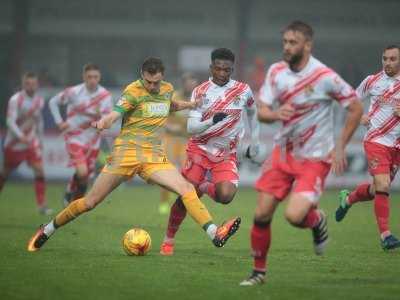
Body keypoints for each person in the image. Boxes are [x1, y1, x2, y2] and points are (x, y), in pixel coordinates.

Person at [27, 57, 240, 252]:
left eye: (156, 82)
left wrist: (190, 104)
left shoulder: (166, 89)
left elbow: (169, 105)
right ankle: (47, 230)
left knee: (186, 189)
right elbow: (115, 113)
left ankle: (214, 233)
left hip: (153, 156)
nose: (152, 86)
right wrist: (104, 122)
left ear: (162, 77)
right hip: (125, 155)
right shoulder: (132, 91)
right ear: (142, 76)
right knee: (90, 202)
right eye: (148, 82)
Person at [239, 21, 363, 286]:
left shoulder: (324, 76)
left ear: (307, 45)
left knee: (294, 217)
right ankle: (258, 273)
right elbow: (262, 111)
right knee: (261, 214)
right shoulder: (276, 72)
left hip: (315, 159)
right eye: (284, 42)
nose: (286, 47)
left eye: (292, 42)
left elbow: (355, 107)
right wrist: (274, 114)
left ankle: (317, 220)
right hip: (283, 155)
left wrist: (340, 145)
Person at [160, 48, 260, 256]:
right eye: (218, 68)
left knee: (226, 196)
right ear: (211, 68)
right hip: (200, 150)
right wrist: (212, 120)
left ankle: (204, 186)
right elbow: (192, 128)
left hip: (225, 154)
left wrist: (255, 140)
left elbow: (252, 110)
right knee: (186, 197)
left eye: (227, 69)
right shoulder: (201, 92)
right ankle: (168, 240)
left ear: (232, 69)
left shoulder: (243, 90)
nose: (222, 73)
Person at [335, 45, 400, 251]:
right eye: (385, 58)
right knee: (382, 184)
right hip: (375, 141)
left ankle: (349, 199)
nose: (388, 62)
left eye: (393, 59)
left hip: (396, 145)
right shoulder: (372, 81)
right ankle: (385, 236)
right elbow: (350, 102)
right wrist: (359, 115)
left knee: (376, 189)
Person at [48, 63, 113, 206]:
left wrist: (100, 123)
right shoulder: (73, 92)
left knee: (85, 177)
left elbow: (107, 119)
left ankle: (74, 203)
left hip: (93, 141)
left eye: (95, 77)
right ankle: (73, 199)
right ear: (84, 77)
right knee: (82, 172)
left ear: (99, 77)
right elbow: (53, 102)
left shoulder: (105, 96)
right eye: (89, 77)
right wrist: (59, 122)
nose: (92, 80)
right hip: (74, 137)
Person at [0, 72, 52, 215]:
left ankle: (42, 205)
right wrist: (20, 135)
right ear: (23, 84)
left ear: (37, 84)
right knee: (4, 173)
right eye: (28, 83)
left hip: (30, 142)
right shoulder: (15, 100)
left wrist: (40, 140)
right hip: (14, 143)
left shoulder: (39, 100)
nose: (31, 86)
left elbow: (38, 120)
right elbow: (10, 121)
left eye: (33, 84)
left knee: (39, 170)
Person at [159, 73, 198, 215]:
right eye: (188, 82)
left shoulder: (197, 101)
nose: (191, 85)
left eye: (193, 82)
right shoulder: (175, 97)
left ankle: (183, 202)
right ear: (183, 83)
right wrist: (170, 127)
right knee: (165, 172)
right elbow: (163, 118)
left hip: (185, 142)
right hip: (171, 139)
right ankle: (163, 202)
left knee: (186, 174)